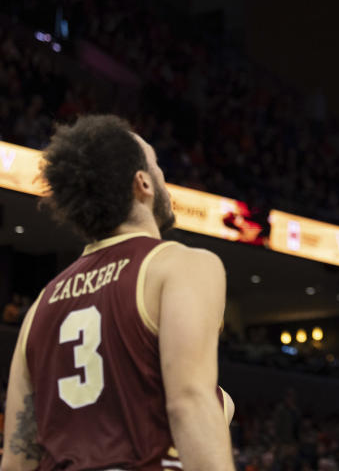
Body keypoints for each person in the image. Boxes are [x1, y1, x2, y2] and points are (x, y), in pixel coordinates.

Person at [1, 114, 234, 471]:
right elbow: (189, 403)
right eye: (157, 165)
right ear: (142, 183)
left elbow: (17, 461)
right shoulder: (180, 265)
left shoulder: (39, 309)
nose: (162, 176)